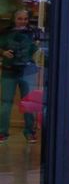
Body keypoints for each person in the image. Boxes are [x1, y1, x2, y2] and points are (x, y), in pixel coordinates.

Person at [0, 9, 39, 144]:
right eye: (20, 18)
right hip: (9, 70)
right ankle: (2, 132)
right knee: (5, 102)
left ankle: (29, 131)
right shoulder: (5, 32)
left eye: (25, 19)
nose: (23, 21)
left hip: (27, 70)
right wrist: (3, 53)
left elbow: (37, 48)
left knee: (28, 102)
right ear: (14, 19)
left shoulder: (33, 33)